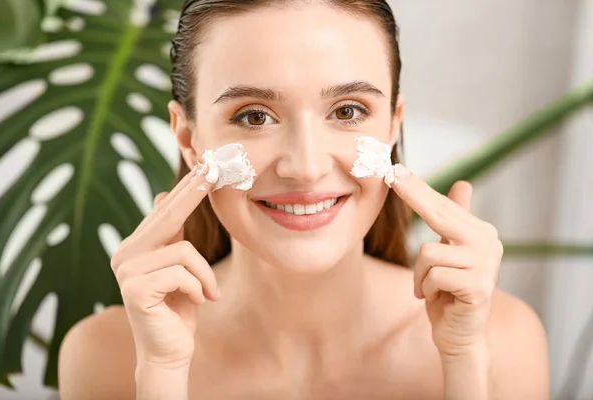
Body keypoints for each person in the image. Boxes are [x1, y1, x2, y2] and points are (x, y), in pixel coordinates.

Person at [58, 1, 550, 398]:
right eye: (253, 116)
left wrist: (464, 363)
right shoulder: (107, 356)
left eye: (349, 109)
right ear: (188, 138)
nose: (307, 166)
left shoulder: (502, 342)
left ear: (393, 123)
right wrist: (161, 373)